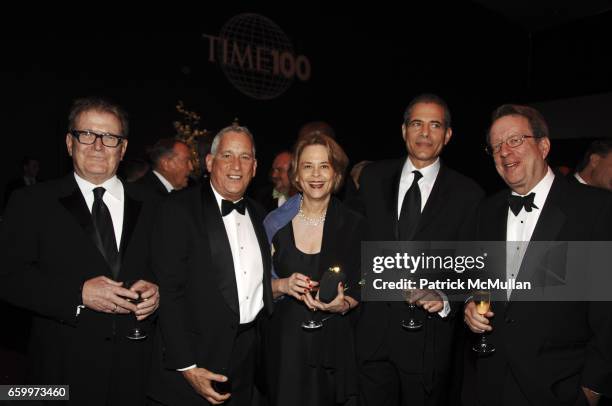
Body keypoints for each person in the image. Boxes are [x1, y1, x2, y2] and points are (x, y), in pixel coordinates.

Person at [0, 96, 160, 405]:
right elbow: (7, 276)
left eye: (110, 137)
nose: (98, 145)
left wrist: (159, 292)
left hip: (136, 371)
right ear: (69, 143)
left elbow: (169, 269)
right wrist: (78, 294)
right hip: (60, 370)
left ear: (123, 148)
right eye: (86, 134)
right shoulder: (31, 202)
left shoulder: (155, 205)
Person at [463, 104, 612, 406]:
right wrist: (468, 304)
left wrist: (593, 387)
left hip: (560, 386)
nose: (504, 151)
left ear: (543, 146)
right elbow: (477, 278)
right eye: (496, 146)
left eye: (515, 140)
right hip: (490, 382)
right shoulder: (486, 211)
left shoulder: (595, 209)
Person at [355, 94, 484, 406]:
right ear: (404, 130)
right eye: (417, 123)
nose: (425, 133)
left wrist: (442, 297)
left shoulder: (469, 194)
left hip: (428, 343)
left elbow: (473, 267)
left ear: (448, 135)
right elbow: (353, 241)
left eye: (435, 125)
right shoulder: (372, 178)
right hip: (371, 335)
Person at [148, 125, 274, 406]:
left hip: (245, 361)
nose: (236, 165)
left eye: (245, 157)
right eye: (227, 155)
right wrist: (186, 366)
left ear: (254, 167)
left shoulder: (259, 214)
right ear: (209, 162)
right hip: (193, 360)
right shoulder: (177, 209)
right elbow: (169, 292)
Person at [263, 131, 366, 406]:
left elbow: (361, 284)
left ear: (336, 174)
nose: (316, 174)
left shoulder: (355, 224)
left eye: (324, 166)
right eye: (308, 166)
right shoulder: (273, 223)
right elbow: (254, 288)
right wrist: (283, 285)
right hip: (286, 347)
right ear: (296, 174)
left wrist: (342, 305)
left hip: (334, 343)